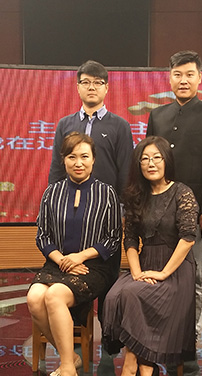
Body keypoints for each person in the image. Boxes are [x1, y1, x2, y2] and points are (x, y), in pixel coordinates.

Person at [28, 132, 122, 376]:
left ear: (93, 160)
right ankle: (71, 360)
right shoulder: (52, 192)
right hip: (57, 263)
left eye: (84, 156)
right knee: (34, 298)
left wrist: (79, 257)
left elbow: (113, 239)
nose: (78, 162)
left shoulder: (106, 193)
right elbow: (42, 236)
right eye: (72, 157)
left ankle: (68, 373)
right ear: (64, 160)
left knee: (54, 295)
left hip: (93, 267)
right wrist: (61, 259)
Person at [102, 136, 198, 376]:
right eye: (144, 159)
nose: (151, 163)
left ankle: (130, 368)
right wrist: (135, 272)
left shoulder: (182, 193)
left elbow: (188, 238)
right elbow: (130, 239)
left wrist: (164, 273)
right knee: (115, 295)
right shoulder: (136, 195)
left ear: (167, 161)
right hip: (144, 265)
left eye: (157, 157)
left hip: (175, 270)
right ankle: (146, 367)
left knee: (132, 295)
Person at [146, 50, 202, 341]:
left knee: (194, 275)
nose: (183, 80)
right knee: (158, 270)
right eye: (177, 74)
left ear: (200, 78)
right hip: (158, 209)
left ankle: (191, 336)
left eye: (189, 74)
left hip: (196, 211)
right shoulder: (157, 115)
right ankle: (158, 331)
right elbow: (149, 161)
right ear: (169, 78)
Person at [48, 60, 134, 324]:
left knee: (106, 278)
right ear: (77, 87)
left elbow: (126, 172)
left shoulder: (119, 126)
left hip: (106, 216)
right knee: (71, 275)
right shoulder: (65, 124)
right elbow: (56, 170)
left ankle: (109, 336)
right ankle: (74, 334)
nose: (92, 87)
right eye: (86, 82)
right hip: (70, 216)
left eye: (98, 82)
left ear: (107, 88)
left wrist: (123, 212)